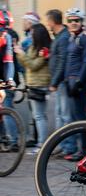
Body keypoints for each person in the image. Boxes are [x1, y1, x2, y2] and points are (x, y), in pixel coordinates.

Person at [63, 8, 86, 161]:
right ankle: (84, 146)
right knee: (75, 117)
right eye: (70, 20)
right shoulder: (72, 37)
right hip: (70, 81)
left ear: (81, 21)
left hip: (79, 81)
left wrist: (79, 81)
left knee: (80, 117)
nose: (73, 23)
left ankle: (83, 150)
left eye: (76, 20)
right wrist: (65, 80)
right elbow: (69, 60)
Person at [15, 23, 51, 154]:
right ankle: (44, 143)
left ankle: (42, 145)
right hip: (35, 83)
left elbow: (32, 65)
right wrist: (22, 55)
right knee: (40, 116)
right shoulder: (36, 47)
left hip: (38, 85)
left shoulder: (43, 50)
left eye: (32, 32)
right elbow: (27, 62)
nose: (30, 34)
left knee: (39, 116)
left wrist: (20, 53)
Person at [46, 9, 76, 156]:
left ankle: (69, 147)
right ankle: (63, 145)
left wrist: (55, 81)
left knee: (65, 115)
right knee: (60, 115)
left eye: (48, 21)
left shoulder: (63, 37)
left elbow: (63, 61)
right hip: (60, 82)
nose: (47, 24)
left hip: (62, 81)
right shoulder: (59, 36)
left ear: (52, 21)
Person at [0, 10, 18, 151]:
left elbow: (9, 61)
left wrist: (10, 79)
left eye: (4, 27)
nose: (2, 31)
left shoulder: (6, 38)